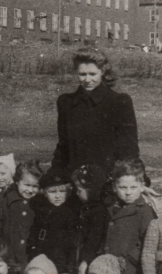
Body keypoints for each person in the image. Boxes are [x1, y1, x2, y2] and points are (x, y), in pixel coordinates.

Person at [51, 48, 139, 178]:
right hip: (76, 180)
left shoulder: (119, 102)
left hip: (108, 179)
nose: (87, 80)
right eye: (82, 74)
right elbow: (63, 147)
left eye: (92, 74)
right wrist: (53, 178)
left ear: (102, 72)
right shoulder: (66, 102)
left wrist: (137, 178)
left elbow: (129, 149)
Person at [104, 158, 155, 274]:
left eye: (133, 187)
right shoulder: (110, 207)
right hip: (107, 268)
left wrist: (129, 259)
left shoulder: (144, 211)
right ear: (114, 187)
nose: (128, 192)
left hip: (130, 272)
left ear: (142, 187)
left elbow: (148, 241)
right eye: (122, 187)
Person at [0, 160, 42, 270]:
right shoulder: (6, 200)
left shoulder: (39, 203)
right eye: (27, 185)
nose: (30, 190)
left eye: (35, 186)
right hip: (9, 251)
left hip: (29, 254)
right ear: (17, 182)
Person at [27, 166, 77, 274]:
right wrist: (32, 246)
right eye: (53, 192)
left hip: (60, 258)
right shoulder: (41, 210)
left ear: (67, 192)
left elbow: (72, 243)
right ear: (45, 193)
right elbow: (35, 229)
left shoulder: (69, 214)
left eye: (62, 191)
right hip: (41, 254)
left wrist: (70, 266)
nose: (58, 196)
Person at [72, 164, 109, 274]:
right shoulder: (89, 207)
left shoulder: (98, 212)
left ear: (92, 191)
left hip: (91, 259)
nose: (77, 193)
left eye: (79, 190)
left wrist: (85, 261)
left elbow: (94, 238)